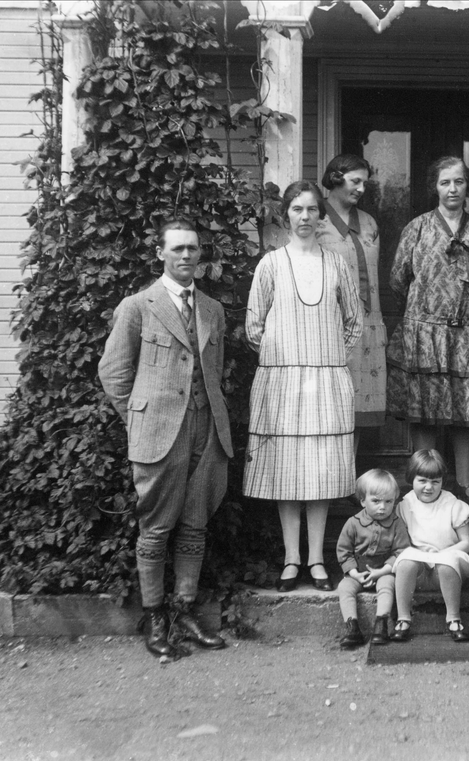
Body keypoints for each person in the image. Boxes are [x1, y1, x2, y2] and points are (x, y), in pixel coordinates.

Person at [98, 217, 233, 657]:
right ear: (161, 253)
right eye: (177, 248)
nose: (186, 255)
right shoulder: (138, 306)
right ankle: (155, 617)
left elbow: (214, 371)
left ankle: (184, 612)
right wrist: (141, 419)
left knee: (195, 524)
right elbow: (114, 372)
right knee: (156, 527)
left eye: (192, 248)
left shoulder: (212, 309)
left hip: (206, 430)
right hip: (159, 432)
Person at [243, 180, 362, 593]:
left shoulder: (336, 264)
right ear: (286, 215)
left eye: (312, 209)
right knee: (287, 468)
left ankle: (316, 560)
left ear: (321, 215)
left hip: (325, 378)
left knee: (320, 468)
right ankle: (291, 559)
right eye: (297, 209)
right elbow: (254, 327)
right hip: (283, 380)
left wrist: (326, 357)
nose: (305, 217)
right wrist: (287, 360)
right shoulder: (271, 264)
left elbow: (354, 323)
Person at [387, 156, 469, 502]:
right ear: (435, 187)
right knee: (424, 410)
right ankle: (425, 480)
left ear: (467, 186)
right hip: (425, 332)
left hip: (466, 333)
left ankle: (464, 481)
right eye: (445, 182)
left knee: (466, 411)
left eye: (459, 181)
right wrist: (424, 310)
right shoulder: (417, 228)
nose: (452, 189)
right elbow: (398, 279)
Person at [319, 154, 387, 447]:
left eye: (364, 183)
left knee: (358, 407)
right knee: (327, 403)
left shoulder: (369, 222)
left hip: (367, 326)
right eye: (355, 181)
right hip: (329, 325)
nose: (361, 189)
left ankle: (348, 471)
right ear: (336, 178)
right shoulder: (315, 217)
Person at [390, 449, 469, 643]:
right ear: (411, 479)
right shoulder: (405, 505)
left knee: (446, 563)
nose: (428, 487)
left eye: (435, 482)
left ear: (442, 481)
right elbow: (402, 543)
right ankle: (403, 619)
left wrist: (442, 554)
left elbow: (467, 542)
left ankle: (454, 619)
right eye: (422, 481)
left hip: (452, 566)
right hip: (422, 569)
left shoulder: (452, 504)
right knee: (405, 560)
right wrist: (422, 555)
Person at [335, 469, 410, 649]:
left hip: (384, 571)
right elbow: (344, 551)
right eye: (376, 501)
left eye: (388, 501)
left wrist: (382, 571)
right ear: (363, 501)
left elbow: (401, 551)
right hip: (358, 572)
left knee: (387, 585)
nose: (382, 507)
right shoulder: (353, 523)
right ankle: (352, 628)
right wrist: (355, 574)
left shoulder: (396, 524)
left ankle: (380, 625)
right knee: (344, 587)